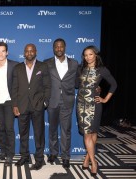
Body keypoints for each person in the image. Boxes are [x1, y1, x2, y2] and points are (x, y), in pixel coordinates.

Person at [76, 45, 117, 176]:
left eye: (90, 54)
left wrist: (105, 99)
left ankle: (92, 161)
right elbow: (78, 84)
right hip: (81, 104)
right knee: (88, 134)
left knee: (92, 133)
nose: (88, 57)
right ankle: (90, 159)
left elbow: (114, 84)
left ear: (96, 55)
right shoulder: (81, 68)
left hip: (94, 105)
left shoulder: (102, 70)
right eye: (85, 55)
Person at [12, 43, 51, 170]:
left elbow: (47, 86)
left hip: (37, 106)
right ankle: (24, 157)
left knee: (39, 133)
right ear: (24, 53)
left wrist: (45, 102)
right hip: (22, 106)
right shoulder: (18, 67)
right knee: (23, 133)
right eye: (27, 51)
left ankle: (39, 159)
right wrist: (15, 105)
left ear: (36, 52)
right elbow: (14, 88)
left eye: (31, 51)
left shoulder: (43, 66)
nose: (29, 53)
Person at [44, 38, 78, 169]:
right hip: (52, 101)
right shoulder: (47, 63)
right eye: (56, 47)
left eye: (61, 46)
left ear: (65, 47)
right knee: (52, 130)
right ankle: (53, 153)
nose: (59, 49)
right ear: (53, 48)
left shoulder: (74, 63)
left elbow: (79, 81)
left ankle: (65, 156)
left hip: (67, 101)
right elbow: (44, 82)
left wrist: (96, 87)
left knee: (66, 131)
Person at [0, 42, 18, 166]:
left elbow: (18, 85)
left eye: (3, 51)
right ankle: (3, 151)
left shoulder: (14, 65)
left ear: (7, 52)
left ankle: (10, 154)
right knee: (0, 128)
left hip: (9, 101)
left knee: (9, 128)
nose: (1, 53)